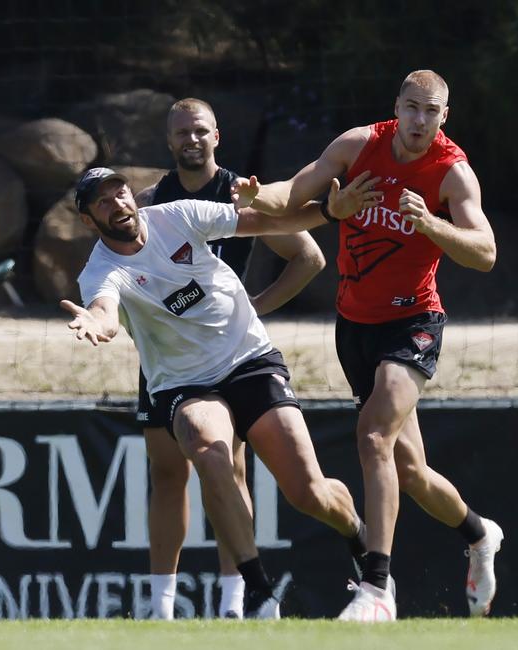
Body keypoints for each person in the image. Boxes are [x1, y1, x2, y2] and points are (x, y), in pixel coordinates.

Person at [233, 70, 504, 621]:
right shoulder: (359, 145)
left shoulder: (451, 173)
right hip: (354, 326)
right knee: (410, 473)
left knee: (374, 435)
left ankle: (376, 589)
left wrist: (431, 224)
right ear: (396, 107)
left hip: (414, 323)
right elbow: (296, 192)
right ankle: (479, 534)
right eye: (411, 108)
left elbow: (485, 252)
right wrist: (260, 194)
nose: (419, 121)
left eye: (431, 112)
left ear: (443, 117)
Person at [61, 165, 379, 619]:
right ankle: (258, 590)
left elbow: (265, 222)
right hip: (183, 383)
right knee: (208, 450)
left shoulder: (178, 215)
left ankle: (357, 534)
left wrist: (330, 211)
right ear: (89, 220)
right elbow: (105, 308)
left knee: (307, 493)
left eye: (121, 193)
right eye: (104, 202)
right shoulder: (101, 270)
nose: (119, 205)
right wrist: (97, 322)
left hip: (249, 359)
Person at [133, 98, 326, 620]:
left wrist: (256, 308)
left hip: (227, 356)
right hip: (168, 361)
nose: (190, 140)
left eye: (199, 131)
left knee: (229, 466)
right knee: (167, 475)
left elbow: (309, 256)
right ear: (169, 141)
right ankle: (160, 607)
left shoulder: (241, 194)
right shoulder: (151, 201)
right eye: (180, 133)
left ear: (217, 135)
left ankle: (235, 601)